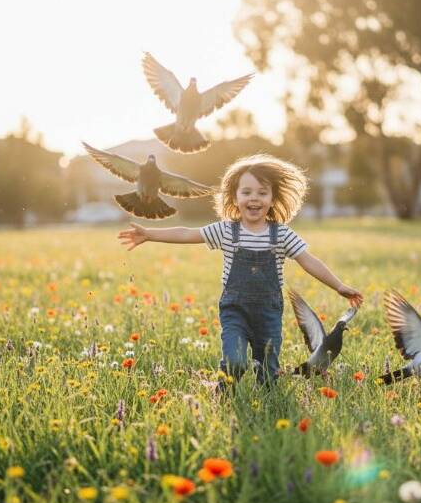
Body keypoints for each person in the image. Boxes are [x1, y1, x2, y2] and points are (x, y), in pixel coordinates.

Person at [118, 154, 363, 386]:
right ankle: (225, 392)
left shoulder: (281, 234)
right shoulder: (227, 231)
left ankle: (267, 401)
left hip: (268, 314)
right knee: (235, 362)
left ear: (272, 198)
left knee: (268, 372)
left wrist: (339, 286)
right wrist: (150, 234)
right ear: (235, 198)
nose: (254, 198)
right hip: (234, 310)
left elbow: (308, 260)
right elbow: (187, 233)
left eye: (262, 193)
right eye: (246, 192)